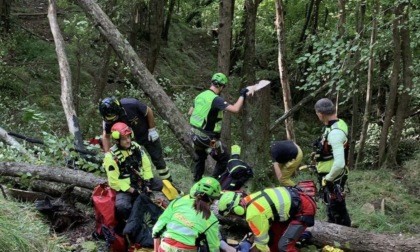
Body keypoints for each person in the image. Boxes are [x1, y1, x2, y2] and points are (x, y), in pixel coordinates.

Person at [189, 73, 249, 181]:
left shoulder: (200, 96)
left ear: (212, 82)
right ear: (221, 86)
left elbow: (190, 112)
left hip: (194, 134)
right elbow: (235, 109)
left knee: (200, 158)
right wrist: (242, 95)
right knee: (224, 158)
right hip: (207, 138)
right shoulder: (215, 99)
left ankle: (196, 182)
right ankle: (214, 181)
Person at [102, 122, 163, 227]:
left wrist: (147, 183)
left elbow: (146, 165)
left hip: (140, 181)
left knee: (161, 184)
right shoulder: (111, 158)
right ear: (117, 140)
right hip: (126, 188)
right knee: (122, 206)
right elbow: (114, 182)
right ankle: (132, 223)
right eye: (124, 139)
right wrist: (132, 190)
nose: (128, 140)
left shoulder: (136, 147)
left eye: (129, 137)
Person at [218, 187, 316, 252]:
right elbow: (261, 231)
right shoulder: (249, 200)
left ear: (237, 210)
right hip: (296, 203)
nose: (233, 219)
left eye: (231, 216)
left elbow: (261, 244)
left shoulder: (253, 214)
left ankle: (300, 235)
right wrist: (248, 241)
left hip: (303, 210)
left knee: (284, 247)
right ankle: (297, 235)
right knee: (273, 240)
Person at [99, 97, 172, 181]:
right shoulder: (107, 119)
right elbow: (106, 136)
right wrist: (107, 153)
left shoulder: (131, 104)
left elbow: (149, 111)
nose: (113, 120)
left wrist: (152, 130)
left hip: (145, 133)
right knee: (132, 163)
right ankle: (141, 182)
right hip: (128, 140)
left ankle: (168, 181)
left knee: (158, 159)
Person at [152, 177, 221, 252]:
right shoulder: (212, 220)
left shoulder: (178, 202)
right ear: (213, 200)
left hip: (165, 247)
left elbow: (157, 228)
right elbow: (213, 247)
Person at [313, 98, 351, 226]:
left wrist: (328, 179)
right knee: (331, 206)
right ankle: (333, 229)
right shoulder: (337, 123)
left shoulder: (335, 133)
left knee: (337, 209)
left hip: (333, 177)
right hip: (330, 175)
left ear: (320, 114)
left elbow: (339, 163)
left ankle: (343, 236)